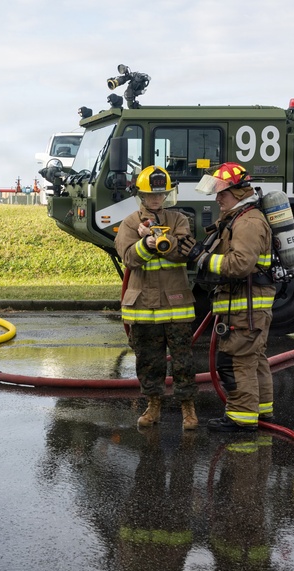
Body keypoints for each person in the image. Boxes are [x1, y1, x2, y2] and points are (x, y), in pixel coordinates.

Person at [115, 166, 198, 430]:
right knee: (149, 361)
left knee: (183, 361)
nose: (156, 199)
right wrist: (144, 244)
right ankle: (153, 407)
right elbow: (128, 258)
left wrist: (164, 241)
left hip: (176, 304)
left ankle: (188, 409)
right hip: (143, 307)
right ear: (141, 194)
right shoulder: (130, 223)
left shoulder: (179, 219)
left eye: (161, 194)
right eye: (151, 194)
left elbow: (184, 252)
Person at [193, 162, 275, 431]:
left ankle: (241, 418)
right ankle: (261, 411)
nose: (217, 198)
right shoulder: (240, 218)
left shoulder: (248, 222)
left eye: (222, 193)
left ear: (239, 193)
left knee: (235, 360)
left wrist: (203, 258)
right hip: (248, 303)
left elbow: (239, 265)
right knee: (254, 358)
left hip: (246, 306)